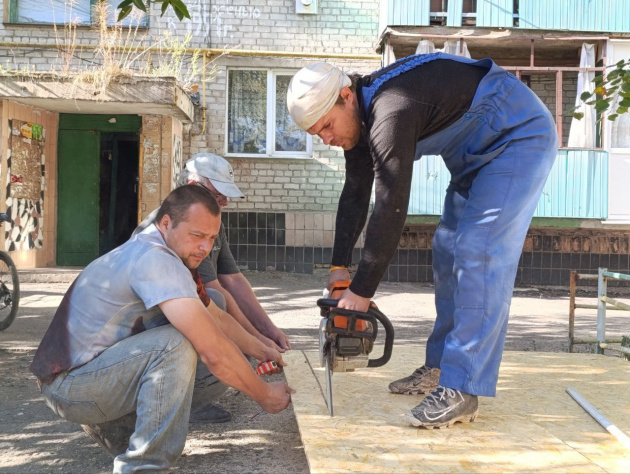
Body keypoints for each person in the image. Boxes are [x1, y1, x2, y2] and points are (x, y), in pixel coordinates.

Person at [287, 53, 557, 429]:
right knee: (447, 251)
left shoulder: (391, 110)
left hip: (518, 138)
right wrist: (339, 272)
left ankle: (462, 388)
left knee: (477, 253)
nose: (328, 138)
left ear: (346, 96)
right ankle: (440, 367)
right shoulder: (362, 122)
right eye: (318, 134)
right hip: (474, 160)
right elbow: (354, 193)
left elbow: (390, 203)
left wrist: (362, 290)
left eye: (327, 125)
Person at [30, 185, 294, 472]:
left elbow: (216, 317)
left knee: (211, 310)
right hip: (70, 388)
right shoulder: (156, 260)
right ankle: (144, 465)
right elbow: (214, 351)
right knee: (174, 346)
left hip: (89, 374)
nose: (205, 248)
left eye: (212, 238)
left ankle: (121, 428)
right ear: (166, 222)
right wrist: (264, 395)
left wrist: (264, 349)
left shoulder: (164, 249)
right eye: (197, 236)